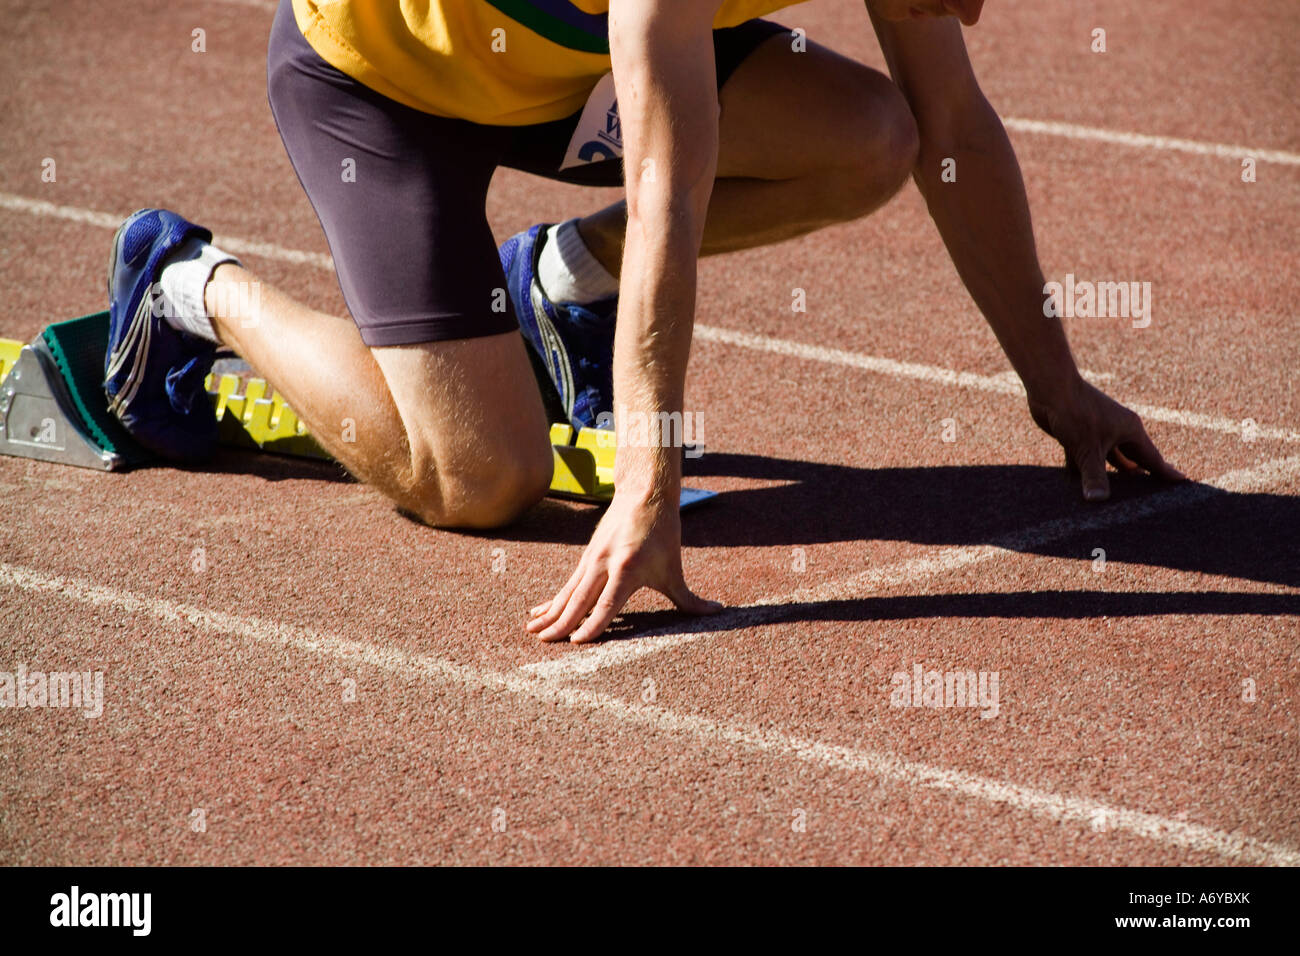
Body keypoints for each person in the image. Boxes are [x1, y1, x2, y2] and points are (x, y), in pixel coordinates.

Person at [102, 0, 1182, 644]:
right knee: (476, 481)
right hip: (382, 88)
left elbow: (954, 128)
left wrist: (1057, 381)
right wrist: (644, 488)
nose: (982, 10)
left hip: (567, 76)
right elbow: (670, 187)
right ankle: (187, 285)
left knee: (877, 136)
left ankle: (560, 283)